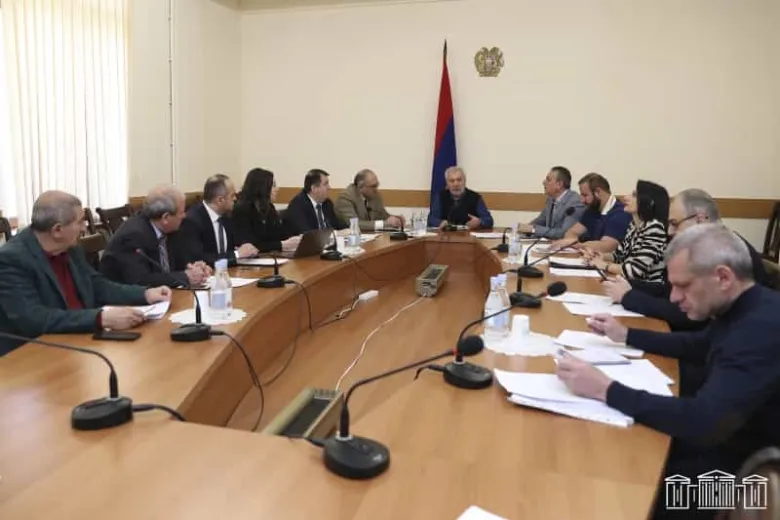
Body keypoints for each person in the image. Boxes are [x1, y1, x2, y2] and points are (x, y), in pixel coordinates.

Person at [556, 224, 780, 520]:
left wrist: (606, 390)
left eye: (683, 286)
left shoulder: (759, 329)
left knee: (625, 494)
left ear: (723, 277)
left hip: (748, 483)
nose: (673, 297)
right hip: (729, 448)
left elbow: (703, 421)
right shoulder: (747, 305)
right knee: (614, 454)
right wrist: (625, 334)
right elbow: (696, 344)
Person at [0, 191, 171, 356]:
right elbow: (33, 319)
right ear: (57, 230)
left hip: (81, 342)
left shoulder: (70, 248)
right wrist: (100, 318)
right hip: (34, 353)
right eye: (80, 222)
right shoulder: (11, 259)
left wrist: (144, 294)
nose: (84, 227)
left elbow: (96, 285)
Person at [602, 189, 771, 331]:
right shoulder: (707, 244)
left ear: (700, 219)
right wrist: (629, 284)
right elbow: (668, 291)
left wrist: (630, 297)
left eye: (675, 224)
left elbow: (688, 317)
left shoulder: (722, 253)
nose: (669, 231)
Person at [100, 185, 211, 287]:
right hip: (124, 299)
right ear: (165, 218)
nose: (184, 216)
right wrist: (185, 276)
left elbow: (174, 265)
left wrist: (194, 268)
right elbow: (140, 280)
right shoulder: (133, 236)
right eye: (181, 212)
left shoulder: (169, 230)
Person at [582, 180, 669, 282]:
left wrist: (604, 265)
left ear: (649, 202)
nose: (625, 197)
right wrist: (598, 256)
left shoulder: (655, 228)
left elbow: (634, 271)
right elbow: (618, 255)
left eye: (634, 195)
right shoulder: (634, 225)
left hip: (646, 288)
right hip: (628, 283)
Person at [177, 174, 259, 267]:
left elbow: (234, 246)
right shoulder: (192, 221)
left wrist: (246, 249)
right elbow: (199, 259)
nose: (235, 199)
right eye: (232, 195)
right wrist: (236, 254)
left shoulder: (226, 216)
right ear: (220, 200)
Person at [551, 173, 632, 253]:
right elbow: (571, 233)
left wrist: (575, 245)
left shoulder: (620, 213)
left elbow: (607, 246)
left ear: (598, 192)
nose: (582, 200)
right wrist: (572, 242)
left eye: (585, 195)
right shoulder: (592, 209)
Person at [232, 168, 302, 253]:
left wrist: (295, 239)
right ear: (261, 187)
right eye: (273, 185)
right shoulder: (241, 210)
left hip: (268, 256)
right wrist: (281, 245)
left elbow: (279, 234)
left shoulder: (269, 207)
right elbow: (250, 245)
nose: (277, 189)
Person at [516, 166, 584, 238]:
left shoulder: (575, 203)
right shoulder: (551, 199)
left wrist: (533, 229)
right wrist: (522, 228)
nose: (543, 182)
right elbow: (540, 221)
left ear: (559, 184)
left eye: (548, 180)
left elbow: (564, 233)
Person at [335, 169, 405, 232]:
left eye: (377, 185)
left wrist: (396, 219)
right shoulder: (345, 198)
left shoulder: (375, 196)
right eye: (373, 186)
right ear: (360, 186)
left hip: (371, 237)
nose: (376, 189)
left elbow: (383, 216)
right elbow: (355, 224)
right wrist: (385, 223)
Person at [427, 166, 494, 230]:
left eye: (459, 180)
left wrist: (479, 222)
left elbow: (489, 220)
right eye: (452, 181)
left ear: (464, 181)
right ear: (447, 183)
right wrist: (440, 222)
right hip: (446, 236)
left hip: (468, 236)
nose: (456, 184)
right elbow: (431, 218)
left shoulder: (475, 197)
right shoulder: (440, 196)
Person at [283, 169, 347, 234]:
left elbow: (338, 225)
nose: (329, 187)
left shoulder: (327, 203)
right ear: (314, 188)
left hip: (326, 239)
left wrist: (347, 230)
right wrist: (334, 234)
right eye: (325, 184)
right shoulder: (297, 205)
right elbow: (306, 234)